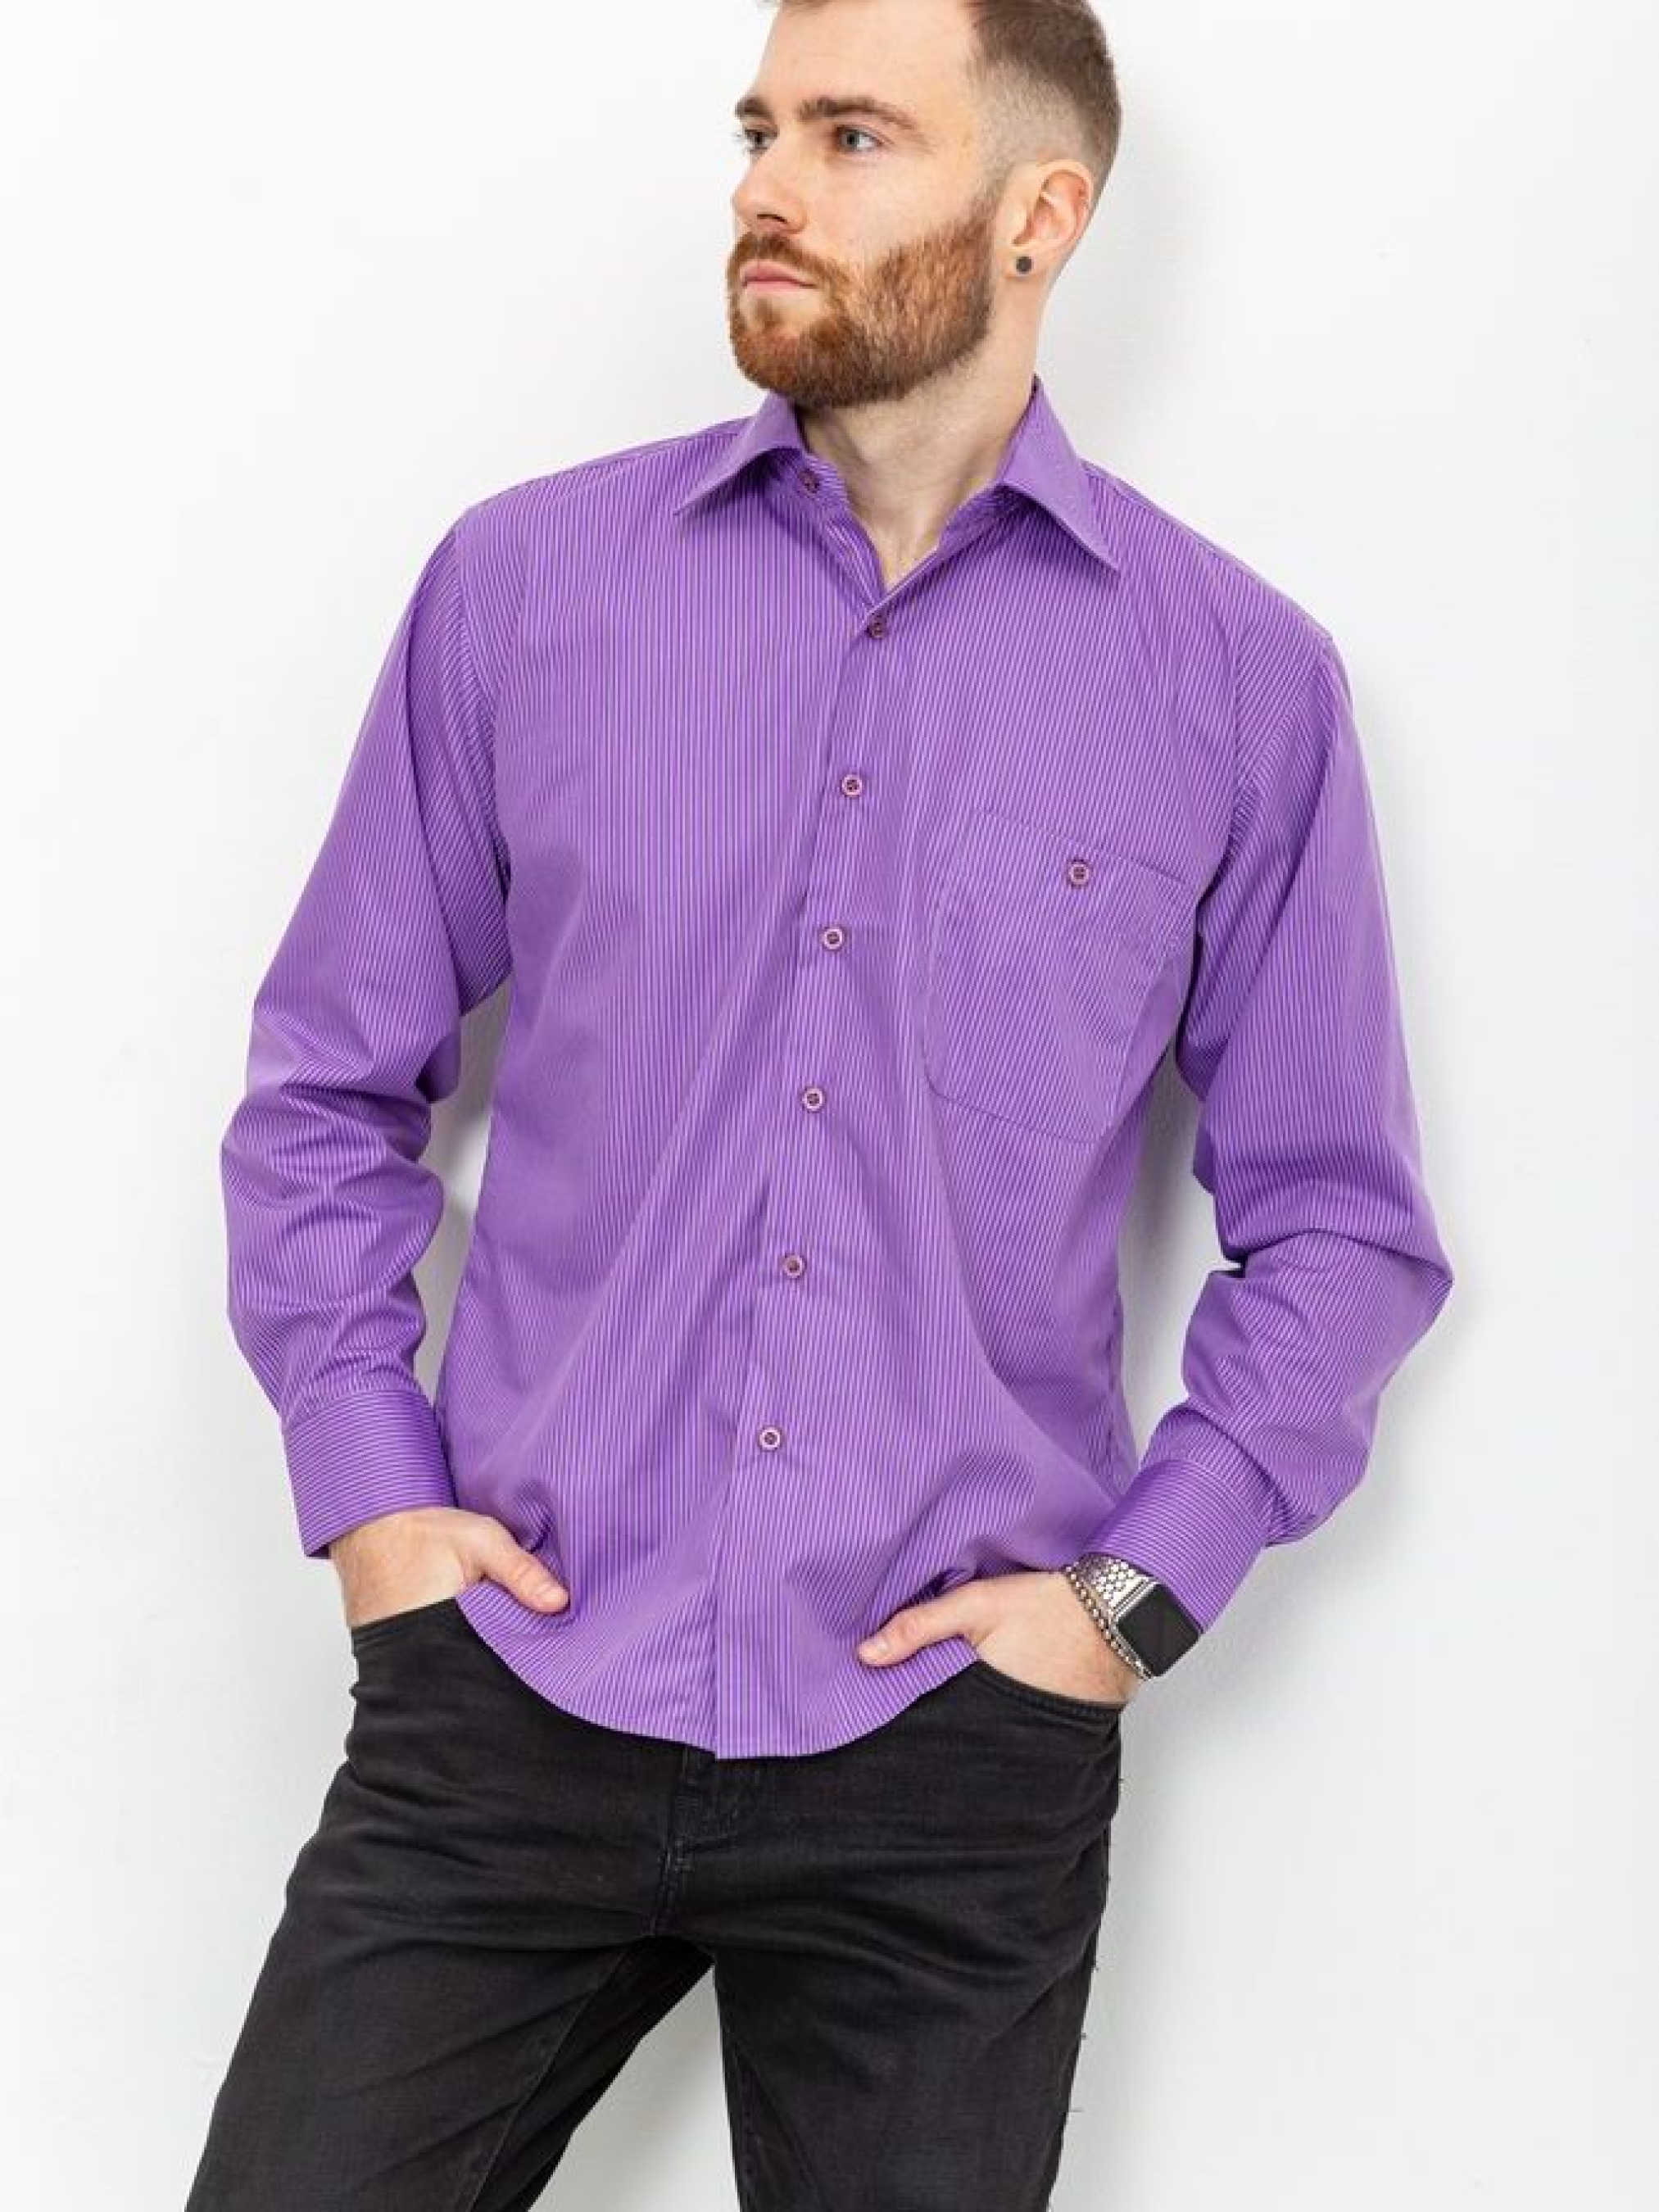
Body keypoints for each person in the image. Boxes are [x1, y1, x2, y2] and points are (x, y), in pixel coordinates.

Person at [185, 1, 1456, 2205]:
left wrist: (1128, 1602)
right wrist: (370, 1488)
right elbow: (325, 1084)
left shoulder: (1234, 685)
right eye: (760, 126)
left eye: (854, 136)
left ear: (1040, 213)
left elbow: (1337, 1219)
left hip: (947, 1758)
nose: (767, 186)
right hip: (516, 1686)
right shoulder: (528, 589)